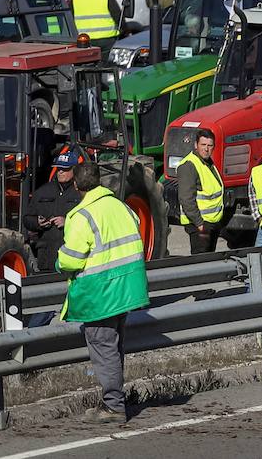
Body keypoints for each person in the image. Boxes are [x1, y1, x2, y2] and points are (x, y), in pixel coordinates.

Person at [57, 159, 149, 423]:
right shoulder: (122, 207)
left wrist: (58, 261)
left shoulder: (80, 215)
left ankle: (114, 406)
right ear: (99, 181)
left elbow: (71, 260)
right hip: (126, 289)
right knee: (114, 347)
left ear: (76, 185)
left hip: (101, 294)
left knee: (104, 348)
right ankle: (115, 401)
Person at [24, 149, 83, 275]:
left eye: (65, 169)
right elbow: (27, 218)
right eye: (58, 168)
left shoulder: (82, 193)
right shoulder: (42, 192)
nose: (60, 171)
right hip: (46, 258)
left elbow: (90, 221)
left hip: (73, 257)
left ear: (75, 170)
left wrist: (67, 222)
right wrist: (37, 223)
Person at [177, 128, 224, 254]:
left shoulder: (207, 163)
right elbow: (186, 199)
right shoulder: (189, 165)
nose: (206, 149)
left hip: (211, 223)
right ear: (196, 145)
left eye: (210, 145)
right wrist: (199, 224)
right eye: (203, 145)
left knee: (209, 259)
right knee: (201, 261)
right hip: (200, 225)